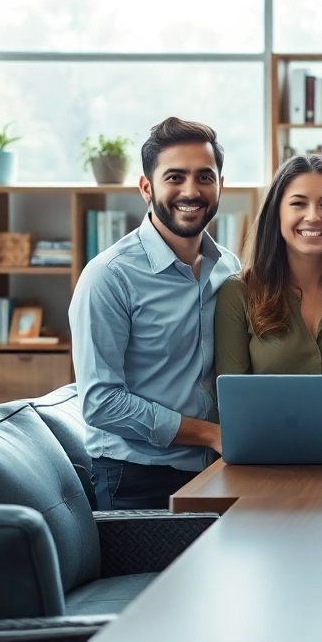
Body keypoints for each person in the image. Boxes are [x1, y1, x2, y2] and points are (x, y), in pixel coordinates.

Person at [69, 117, 239, 510]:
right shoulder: (108, 277)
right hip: (136, 476)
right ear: (146, 188)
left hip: (219, 468)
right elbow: (100, 401)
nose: (191, 191)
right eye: (175, 177)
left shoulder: (231, 269)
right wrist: (210, 434)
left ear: (220, 186)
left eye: (204, 177)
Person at [214, 154, 322, 436]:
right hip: (263, 455)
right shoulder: (238, 293)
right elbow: (231, 399)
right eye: (298, 203)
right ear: (277, 213)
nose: (313, 216)